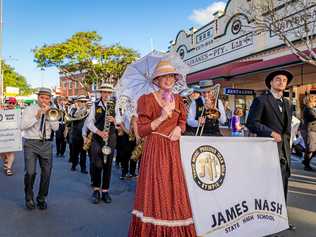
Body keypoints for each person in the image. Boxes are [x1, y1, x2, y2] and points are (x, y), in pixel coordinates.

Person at [128, 60, 196, 237]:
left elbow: (182, 121)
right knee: (158, 188)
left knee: (175, 189)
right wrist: (161, 117)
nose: (168, 79)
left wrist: (179, 129)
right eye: (163, 76)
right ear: (156, 80)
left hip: (173, 148)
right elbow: (142, 131)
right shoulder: (146, 100)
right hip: (156, 148)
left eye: (171, 76)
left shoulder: (179, 99)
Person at [246, 70, 295, 230]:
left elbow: (286, 129)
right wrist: (270, 132)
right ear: (271, 83)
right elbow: (251, 123)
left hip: (284, 151)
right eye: (278, 79)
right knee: (268, 187)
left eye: (284, 80)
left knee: (282, 186)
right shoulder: (261, 100)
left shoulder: (287, 103)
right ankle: (266, 222)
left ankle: (280, 220)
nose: (282, 82)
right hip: (266, 152)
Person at [21, 88, 59, 210]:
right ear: (38, 98)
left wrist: (49, 116)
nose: (44, 100)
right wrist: (37, 116)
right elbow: (22, 126)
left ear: (50, 99)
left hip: (46, 144)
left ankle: (41, 198)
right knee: (30, 172)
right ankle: (29, 197)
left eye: (47, 98)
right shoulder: (29, 109)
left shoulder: (52, 110)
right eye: (42, 97)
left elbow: (56, 128)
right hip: (31, 143)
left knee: (47, 173)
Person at [87, 83, 116, 204]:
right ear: (100, 93)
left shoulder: (115, 105)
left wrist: (115, 120)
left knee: (108, 165)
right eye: (104, 92)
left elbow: (121, 120)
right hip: (97, 138)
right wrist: (99, 132)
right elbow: (89, 123)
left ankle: (105, 191)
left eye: (108, 92)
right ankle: (96, 190)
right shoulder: (95, 105)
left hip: (110, 138)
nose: (106, 95)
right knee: (97, 164)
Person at [69, 95, 88, 173]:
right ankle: (74, 164)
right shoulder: (73, 110)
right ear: (78, 102)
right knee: (74, 152)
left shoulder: (88, 111)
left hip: (84, 135)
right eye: (81, 101)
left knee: (83, 152)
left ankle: (83, 168)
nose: (83, 103)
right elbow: (71, 117)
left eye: (84, 101)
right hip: (75, 134)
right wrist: (78, 109)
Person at [0, 97, 18, 176]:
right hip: (3, 134)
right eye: (10, 103)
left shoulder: (18, 112)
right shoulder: (2, 111)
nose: (11, 104)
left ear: (15, 104)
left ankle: (8, 169)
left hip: (13, 133)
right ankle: (6, 161)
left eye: (13, 103)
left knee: (11, 151)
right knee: (2, 152)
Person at [302, 94, 316, 171]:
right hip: (309, 131)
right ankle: (306, 165)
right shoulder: (308, 109)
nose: (315, 103)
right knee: (310, 149)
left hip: (312, 131)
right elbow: (314, 116)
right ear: (310, 102)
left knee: (312, 148)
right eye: (314, 101)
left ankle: (306, 161)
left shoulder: (311, 109)